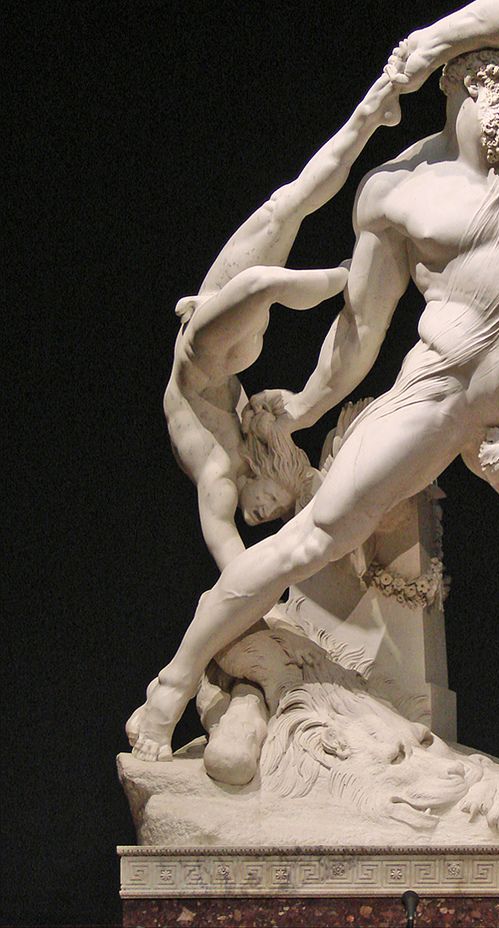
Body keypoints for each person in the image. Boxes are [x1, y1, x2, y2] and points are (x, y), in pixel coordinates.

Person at [130, 0, 499, 789]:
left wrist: (431, 39)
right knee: (309, 541)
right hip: (437, 399)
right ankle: (170, 686)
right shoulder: (397, 190)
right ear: (456, 94)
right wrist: (305, 406)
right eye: (494, 83)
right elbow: (359, 329)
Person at [126, 68, 405, 753]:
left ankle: (371, 124)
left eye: (264, 516)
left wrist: (336, 282)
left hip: (201, 354)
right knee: (286, 210)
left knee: (273, 249)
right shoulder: (241, 424)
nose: (259, 519)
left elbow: (235, 562)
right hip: (214, 338)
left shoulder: (219, 474)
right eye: (269, 515)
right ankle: (374, 111)